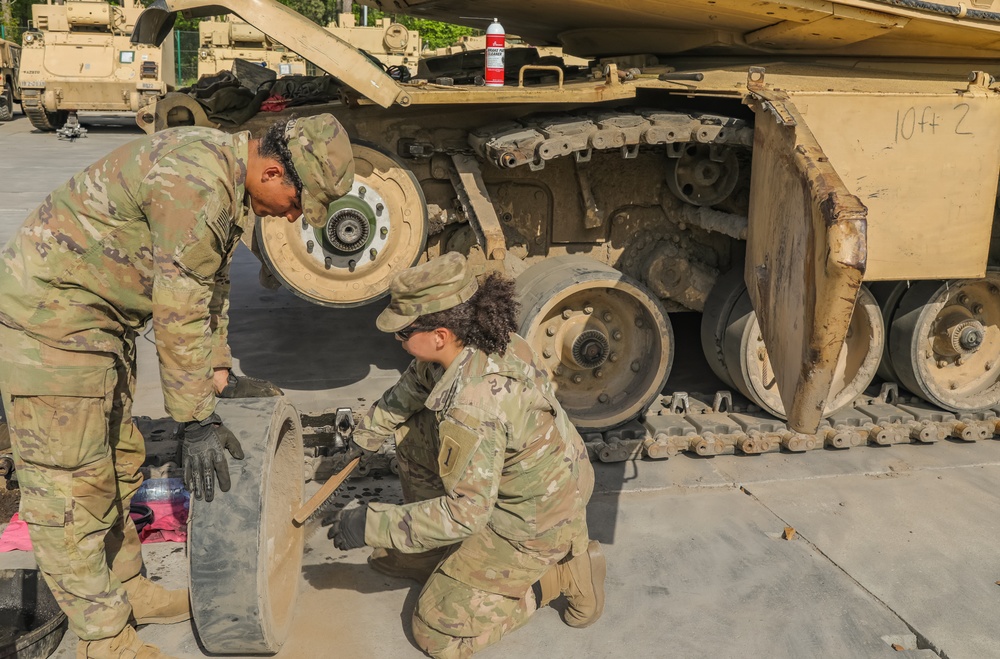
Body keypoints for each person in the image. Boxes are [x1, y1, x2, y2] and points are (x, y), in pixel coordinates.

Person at [0, 114, 353, 658]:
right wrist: (195, 418)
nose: (293, 216)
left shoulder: (227, 181)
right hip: (50, 325)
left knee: (116, 465)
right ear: (275, 171)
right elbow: (178, 307)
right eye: (296, 202)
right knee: (69, 492)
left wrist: (218, 372)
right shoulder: (197, 179)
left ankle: (130, 589)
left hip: (97, 322)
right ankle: (104, 640)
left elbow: (210, 288)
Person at [323, 252, 606, 658]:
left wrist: (372, 524)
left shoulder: (473, 405)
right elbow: (415, 388)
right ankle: (431, 553)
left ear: (439, 334)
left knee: (437, 635)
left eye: (403, 334)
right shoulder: (475, 343)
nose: (398, 341)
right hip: (532, 481)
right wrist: (365, 436)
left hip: (534, 520)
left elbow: (465, 514)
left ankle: (562, 577)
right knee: (414, 430)